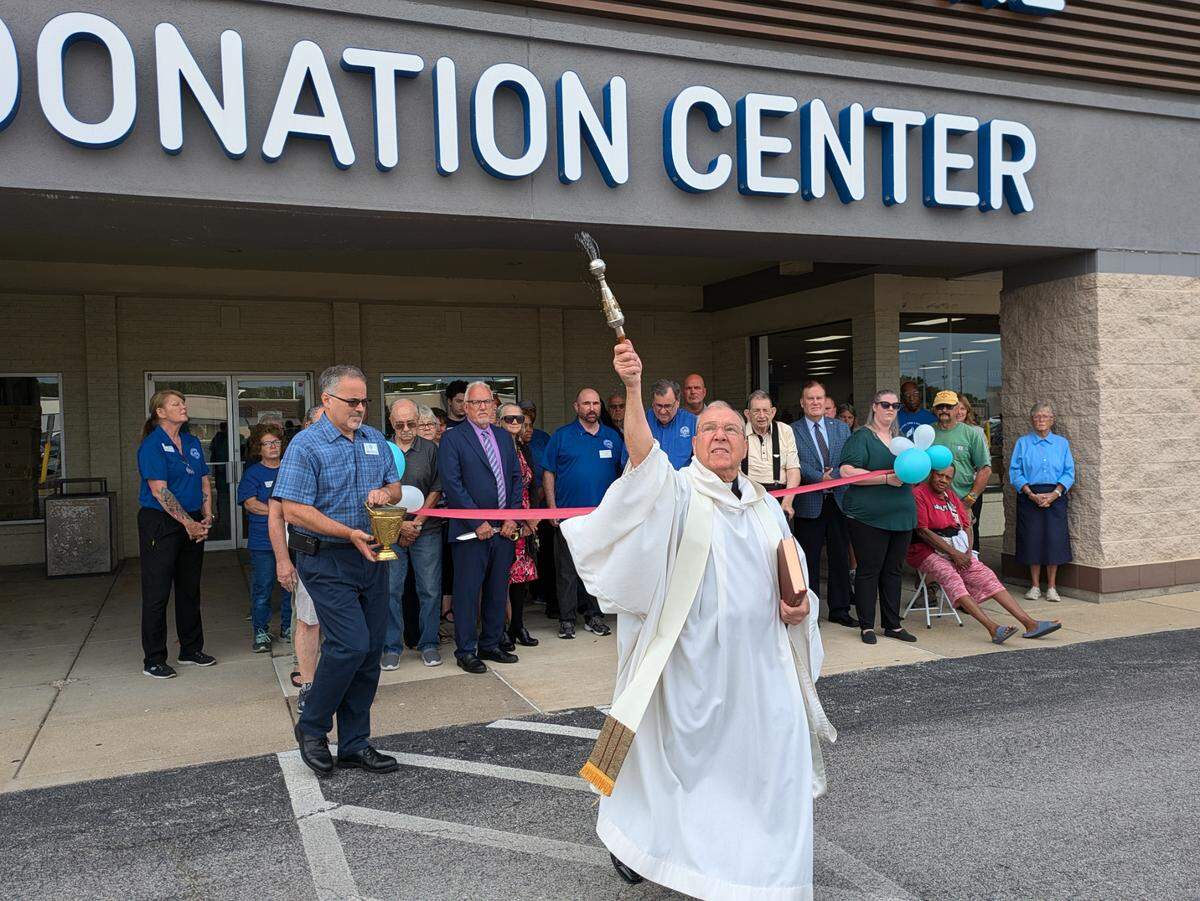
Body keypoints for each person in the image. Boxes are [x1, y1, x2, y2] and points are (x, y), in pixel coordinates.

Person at [562, 340, 828, 899]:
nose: (720, 437)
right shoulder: (676, 492)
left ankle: (761, 869)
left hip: (757, 670)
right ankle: (640, 846)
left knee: (772, 761)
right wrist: (634, 388)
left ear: (745, 442)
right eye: (708, 429)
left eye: (730, 429)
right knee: (649, 762)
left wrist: (801, 608)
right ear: (694, 440)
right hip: (683, 667)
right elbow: (641, 457)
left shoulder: (762, 505)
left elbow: (794, 577)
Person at [273, 364, 403, 777]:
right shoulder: (306, 446)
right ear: (327, 400)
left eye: (365, 400)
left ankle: (354, 744)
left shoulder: (372, 440)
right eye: (352, 401)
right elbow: (293, 509)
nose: (361, 408)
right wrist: (349, 533)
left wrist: (387, 492)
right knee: (349, 644)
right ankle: (311, 728)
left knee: (369, 652)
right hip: (327, 557)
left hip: (372, 553)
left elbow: (395, 486)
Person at [911, 465, 1062, 643]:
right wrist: (955, 554)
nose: (943, 480)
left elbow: (966, 524)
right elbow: (923, 531)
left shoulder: (949, 496)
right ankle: (993, 629)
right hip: (926, 550)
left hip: (958, 550)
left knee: (987, 576)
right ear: (931, 474)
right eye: (940, 475)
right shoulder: (918, 494)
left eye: (948, 477)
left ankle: (1030, 624)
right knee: (952, 577)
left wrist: (967, 552)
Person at [438, 381, 523, 674]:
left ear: (494, 405)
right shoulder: (453, 438)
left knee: (497, 590)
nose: (483, 407)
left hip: (503, 530)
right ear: (465, 406)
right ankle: (465, 650)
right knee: (467, 592)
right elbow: (452, 484)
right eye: (476, 403)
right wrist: (479, 521)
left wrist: (512, 517)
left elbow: (514, 478)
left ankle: (490, 644)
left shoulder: (502, 437)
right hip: (470, 531)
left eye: (488, 402)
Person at [136, 390, 216, 678]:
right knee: (157, 592)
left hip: (192, 520)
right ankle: (154, 659)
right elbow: (160, 491)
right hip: (161, 522)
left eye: (183, 403)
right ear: (160, 412)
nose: (183, 407)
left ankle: (191, 649)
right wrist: (188, 523)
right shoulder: (152, 445)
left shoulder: (192, 442)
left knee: (189, 588)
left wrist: (206, 515)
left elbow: (205, 480)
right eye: (176, 404)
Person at [838, 389, 918, 645]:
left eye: (896, 406)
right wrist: (884, 479)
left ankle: (892, 625)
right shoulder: (861, 437)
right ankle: (866, 626)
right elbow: (847, 471)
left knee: (893, 571)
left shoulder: (902, 437)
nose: (891, 409)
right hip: (868, 515)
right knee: (869, 570)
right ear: (874, 406)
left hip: (901, 513)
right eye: (885, 404)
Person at [543, 388, 624, 639]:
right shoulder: (561, 436)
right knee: (567, 571)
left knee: (598, 569)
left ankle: (594, 616)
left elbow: (625, 475)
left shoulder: (613, 437)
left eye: (596, 404)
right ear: (576, 407)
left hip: (602, 519)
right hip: (569, 518)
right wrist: (552, 508)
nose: (592, 408)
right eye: (586, 403)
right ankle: (567, 619)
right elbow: (548, 472)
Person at [381, 399, 444, 670]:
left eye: (411, 423)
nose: (406, 429)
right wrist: (399, 525)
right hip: (390, 529)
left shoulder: (430, 449)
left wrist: (417, 522)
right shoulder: (382, 450)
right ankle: (391, 647)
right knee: (391, 590)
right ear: (391, 422)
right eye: (399, 424)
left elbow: (436, 489)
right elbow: (376, 490)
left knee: (429, 589)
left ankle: (428, 643)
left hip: (426, 530)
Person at [270, 404, 324, 711]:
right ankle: (308, 683)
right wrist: (282, 560)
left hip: (346, 555)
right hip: (309, 553)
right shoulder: (294, 461)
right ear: (306, 428)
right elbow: (275, 516)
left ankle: (333, 681)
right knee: (308, 619)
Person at [793, 381, 856, 627]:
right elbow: (795, 462)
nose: (816, 402)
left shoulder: (840, 428)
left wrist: (835, 475)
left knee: (840, 556)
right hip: (810, 502)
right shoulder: (792, 430)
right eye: (810, 399)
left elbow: (850, 459)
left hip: (838, 499)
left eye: (819, 398)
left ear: (825, 399)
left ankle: (840, 610)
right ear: (802, 402)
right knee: (809, 559)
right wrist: (819, 478)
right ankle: (811, 612)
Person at [1010, 402, 1075, 602]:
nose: (1041, 420)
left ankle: (1052, 587)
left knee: (1054, 540)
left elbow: (1069, 472)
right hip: (1030, 495)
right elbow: (1015, 471)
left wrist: (1055, 494)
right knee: (1032, 540)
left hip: (1055, 495)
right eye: (1037, 416)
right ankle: (1035, 586)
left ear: (1052, 420)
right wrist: (1030, 494)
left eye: (1045, 416)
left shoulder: (1062, 443)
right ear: (1031, 420)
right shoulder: (1023, 443)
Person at [237, 423, 292, 653]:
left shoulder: (290, 469)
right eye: (267, 443)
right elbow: (251, 504)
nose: (273, 447)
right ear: (258, 448)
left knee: (292, 586)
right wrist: (281, 512)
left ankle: (289, 627)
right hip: (263, 541)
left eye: (276, 442)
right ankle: (261, 632)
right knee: (263, 587)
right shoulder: (253, 473)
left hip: (292, 539)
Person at [499, 403, 540, 648]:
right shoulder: (497, 449)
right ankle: (500, 628)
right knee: (500, 577)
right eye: (509, 419)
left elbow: (531, 484)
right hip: (505, 519)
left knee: (519, 576)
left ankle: (517, 626)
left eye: (519, 419)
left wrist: (531, 517)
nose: (515, 423)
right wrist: (513, 518)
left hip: (525, 520)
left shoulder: (524, 447)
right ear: (499, 422)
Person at [931, 390, 991, 551]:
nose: (944, 410)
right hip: (933, 502)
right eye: (940, 406)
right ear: (935, 409)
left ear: (957, 409)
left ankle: (968, 574)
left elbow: (984, 469)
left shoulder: (971, 434)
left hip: (963, 499)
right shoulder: (927, 433)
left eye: (949, 406)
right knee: (936, 546)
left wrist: (970, 499)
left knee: (966, 544)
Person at [742, 389, 800, 520]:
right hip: (748, 498)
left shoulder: (785, 431)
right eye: (756, 411)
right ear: (747, 414)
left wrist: (787, 502)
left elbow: (793, 470)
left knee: (784, 540)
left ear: (773, 412)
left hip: (779, 496)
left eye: (765, 410)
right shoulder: (739, 432)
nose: (761, 415)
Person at [642, 378, 697, 469]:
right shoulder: (643, 421)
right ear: (652, 403)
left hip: (681, 480)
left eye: (668, 406)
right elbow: (629, 457)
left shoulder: (692, 422)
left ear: (677, 403)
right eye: (659, 406)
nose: (663, 411)